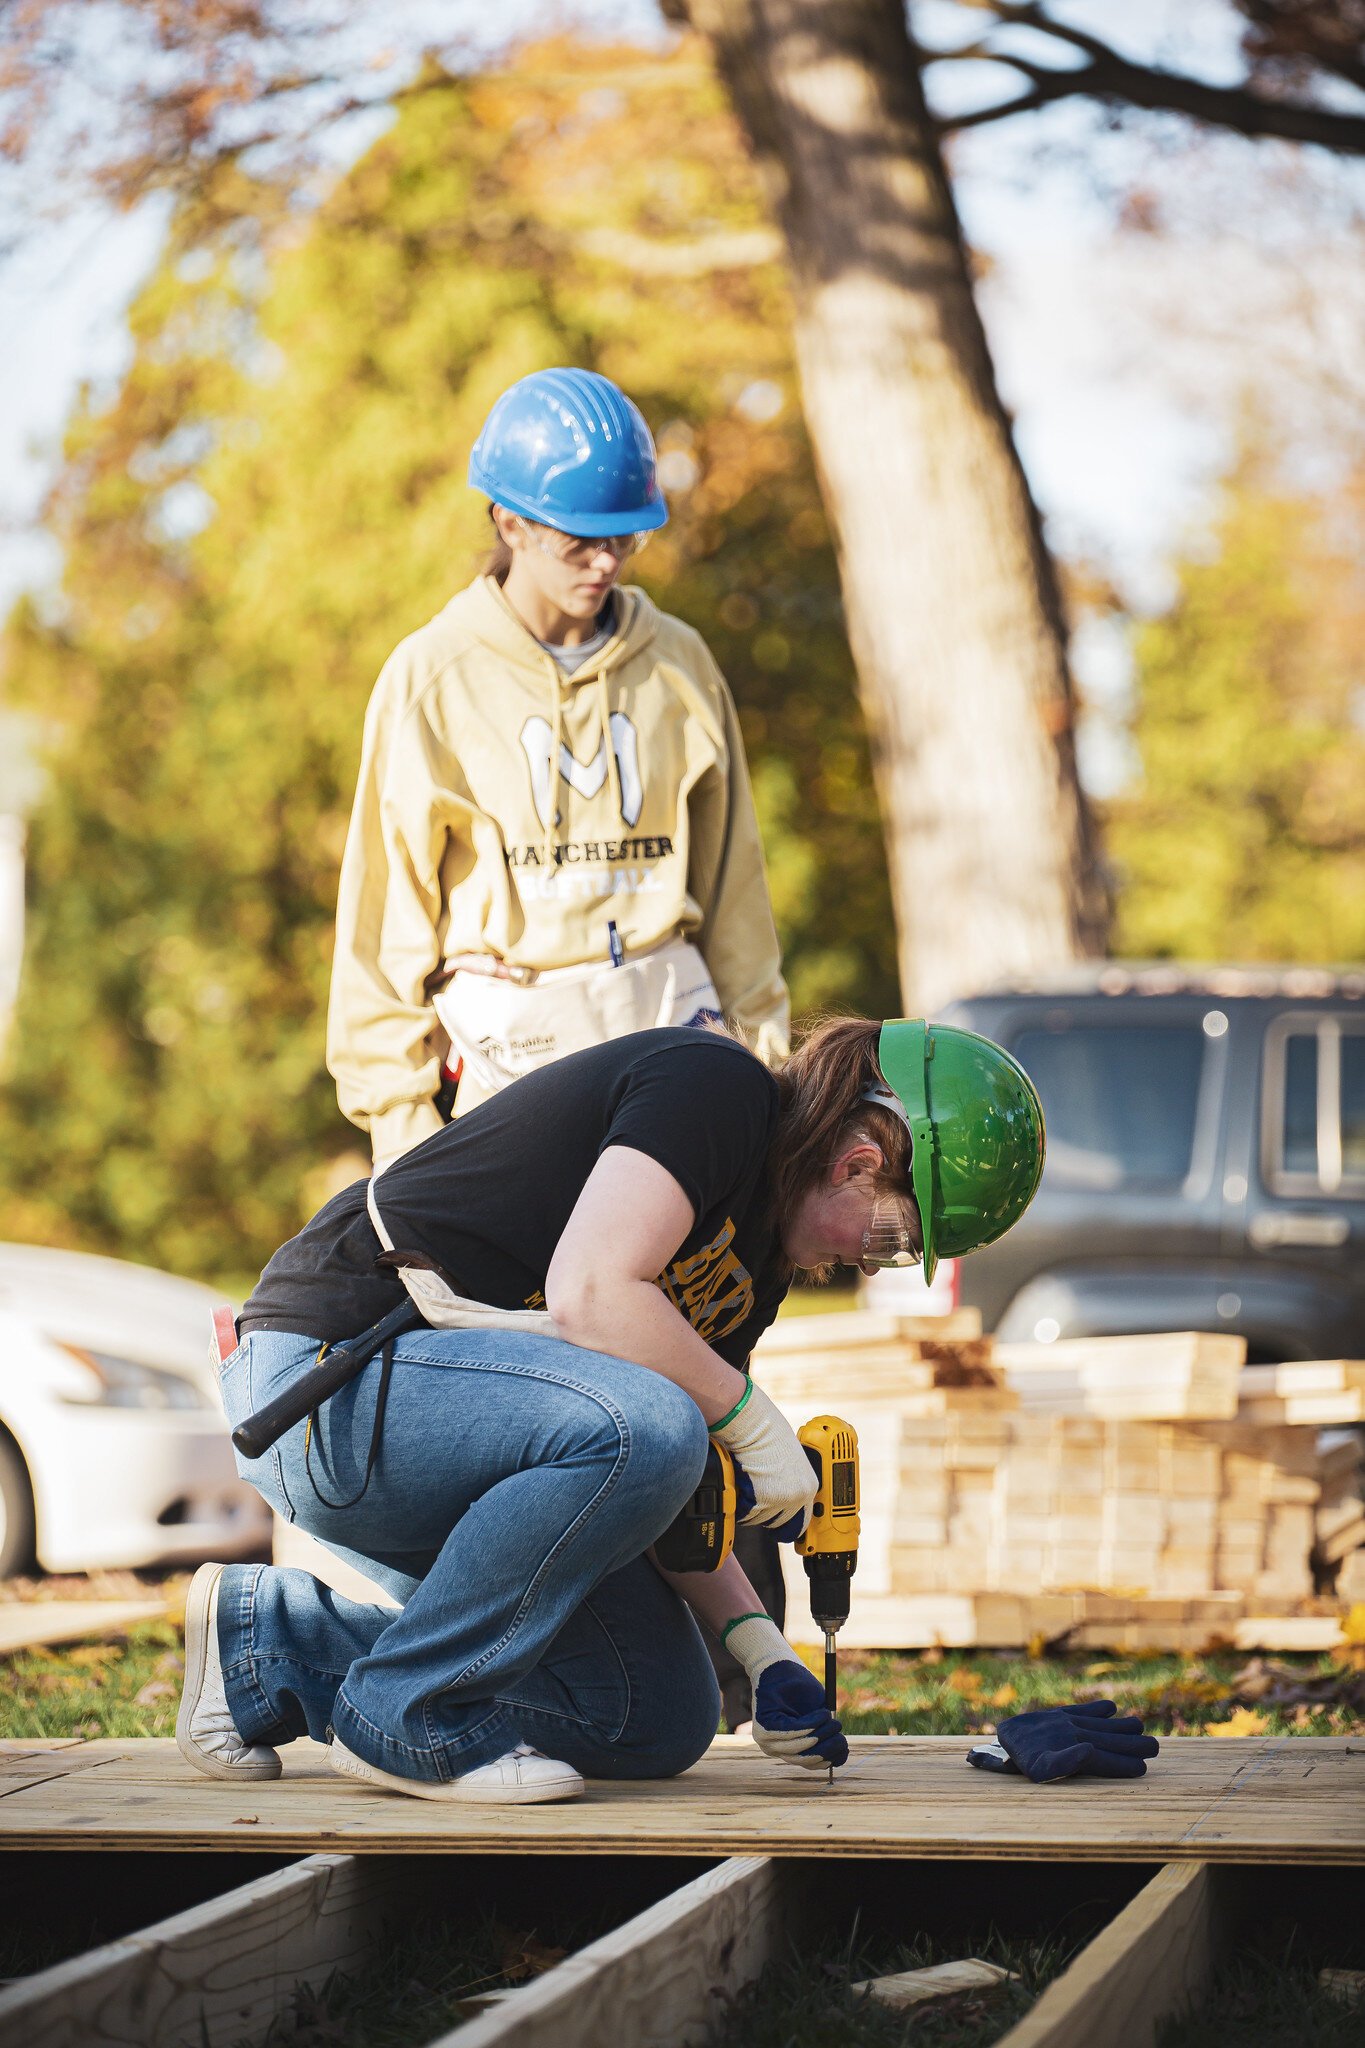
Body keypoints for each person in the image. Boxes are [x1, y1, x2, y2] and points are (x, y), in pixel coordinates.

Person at [179, 1017, 1045, 1805]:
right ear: (856, 1156)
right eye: (894, 1236)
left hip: (435, 1436)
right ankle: (401, 1714)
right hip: (331, 1382)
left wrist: (758, 1647)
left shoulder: (755, 1269)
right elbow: (592, 1294)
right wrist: (748, 1415)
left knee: (649, 1712)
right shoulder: (715, 1090)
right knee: (659, 1421)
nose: (872, 1264)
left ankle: (266, 1648)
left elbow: (667, 1478)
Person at [327, 365, 790, 1177]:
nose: (605, 563)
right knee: (524, 1304)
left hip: (670, 1027)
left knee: (672, 1295)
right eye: (580, 541)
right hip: (510, 1058)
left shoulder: (680, 665)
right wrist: (403, 1133)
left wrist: (766, 1071)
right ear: (510, 521)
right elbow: (382, 918)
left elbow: (734, 889)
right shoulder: (431, 676)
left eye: (623, 538)